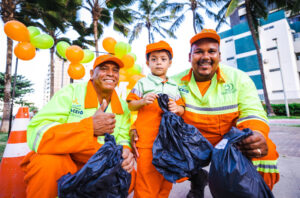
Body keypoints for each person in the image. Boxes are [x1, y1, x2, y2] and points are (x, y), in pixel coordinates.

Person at [171, 29, 280, 197]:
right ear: (189, 57)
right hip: (194, 144)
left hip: (229, 143)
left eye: (211, 51)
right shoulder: (174, 82)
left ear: (219, 56)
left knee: (266, 151)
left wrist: (257, 134)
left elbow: (252, 111)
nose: (205, 56)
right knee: (162, 148)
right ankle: (197, 179)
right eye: (199, 51)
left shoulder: (239, 78)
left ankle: (255, 191)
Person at [20, 54, 135, 198]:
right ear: (92, 74)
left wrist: (126, 152)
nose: (111, 73)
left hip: (99, 164)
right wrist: (89, 128)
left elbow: (123, 138)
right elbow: (38, 131)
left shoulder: (123, 107)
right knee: (47, 164)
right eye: (104, 69)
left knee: (127, 173)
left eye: (115, 70)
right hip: (66, 157)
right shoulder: (71, 92)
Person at [126, 40, 185, 198]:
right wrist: (142, 101)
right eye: (154, 59)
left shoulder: (174, 85)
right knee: (146, 181)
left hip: (169, 142)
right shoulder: (142, 83)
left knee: (166, 181)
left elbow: (182, 108)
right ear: (147, 62)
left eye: (163, 59)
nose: (158, 62)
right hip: (147, 142)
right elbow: (131, 104)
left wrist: (177, 109)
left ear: (170, 63)